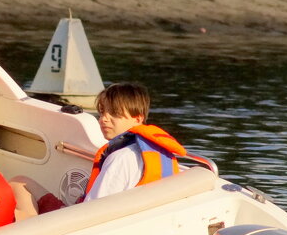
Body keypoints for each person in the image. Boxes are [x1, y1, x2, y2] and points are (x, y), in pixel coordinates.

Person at [11, 82, 187, 220]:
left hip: (83, 226)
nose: (104, 119)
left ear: (137, 118)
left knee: (18, 185)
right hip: (136, 221)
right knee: (22, 181)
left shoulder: (122, 158)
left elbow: (93, 211)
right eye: (103, 113)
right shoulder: (161, 152)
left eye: (115, 114)